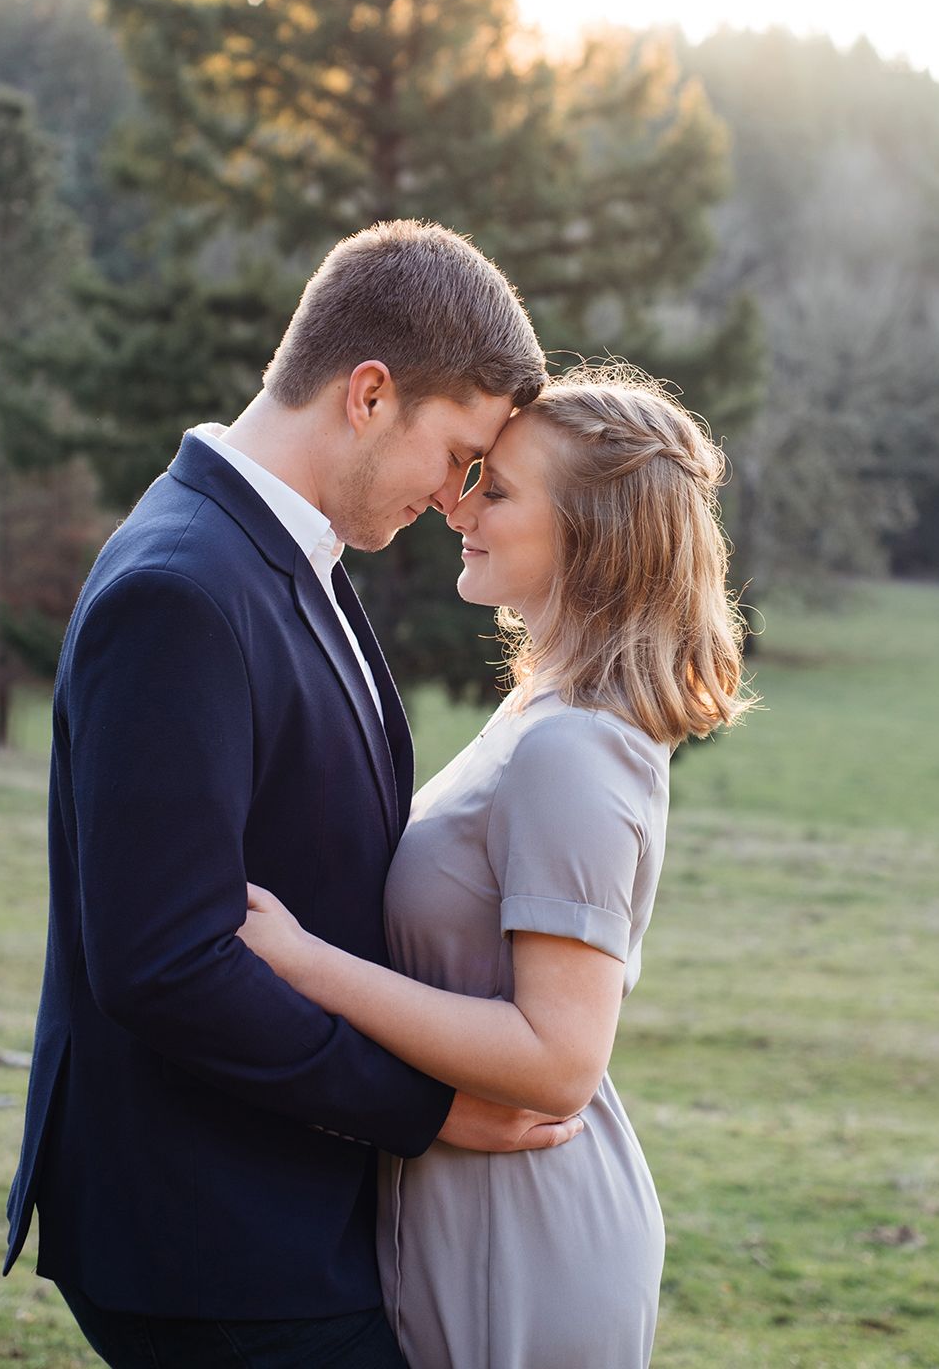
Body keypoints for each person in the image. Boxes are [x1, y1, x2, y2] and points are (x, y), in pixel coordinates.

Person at [5, 220, 577, 1369]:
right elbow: (169, 959)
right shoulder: (181, 588)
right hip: (203, 1227)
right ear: (369, 394)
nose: (454, 493)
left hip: (282, 1202)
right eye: (457, 450)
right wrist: (427, 1109)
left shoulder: (283, 555)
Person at [236, 363, 751, 1369]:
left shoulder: (575, 746)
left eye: (498, 489)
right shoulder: (535, 714)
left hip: (524, 1232)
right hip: (457, 1208)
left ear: (592, 536)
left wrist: (303, 963)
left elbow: (560, 1062)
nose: (457, 505)